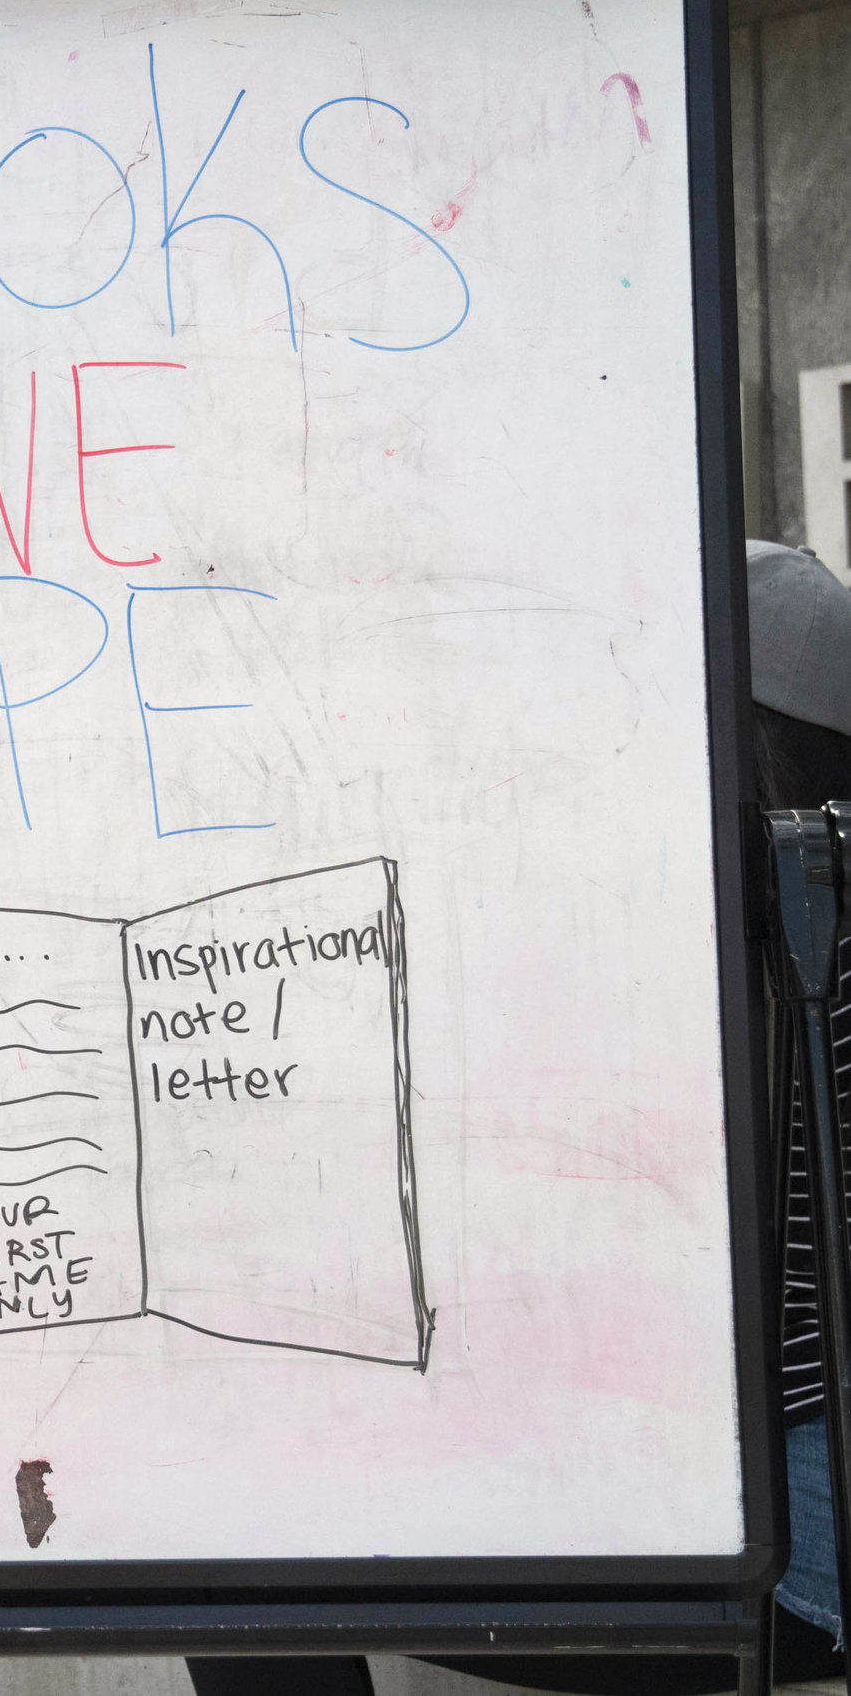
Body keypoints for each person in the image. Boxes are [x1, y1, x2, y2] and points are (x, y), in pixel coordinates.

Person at [186, 543, 851, 1696]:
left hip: (781, 1547)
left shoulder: (715, 939)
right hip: (763, 1498)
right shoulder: (780, 900)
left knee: (221, 1549)